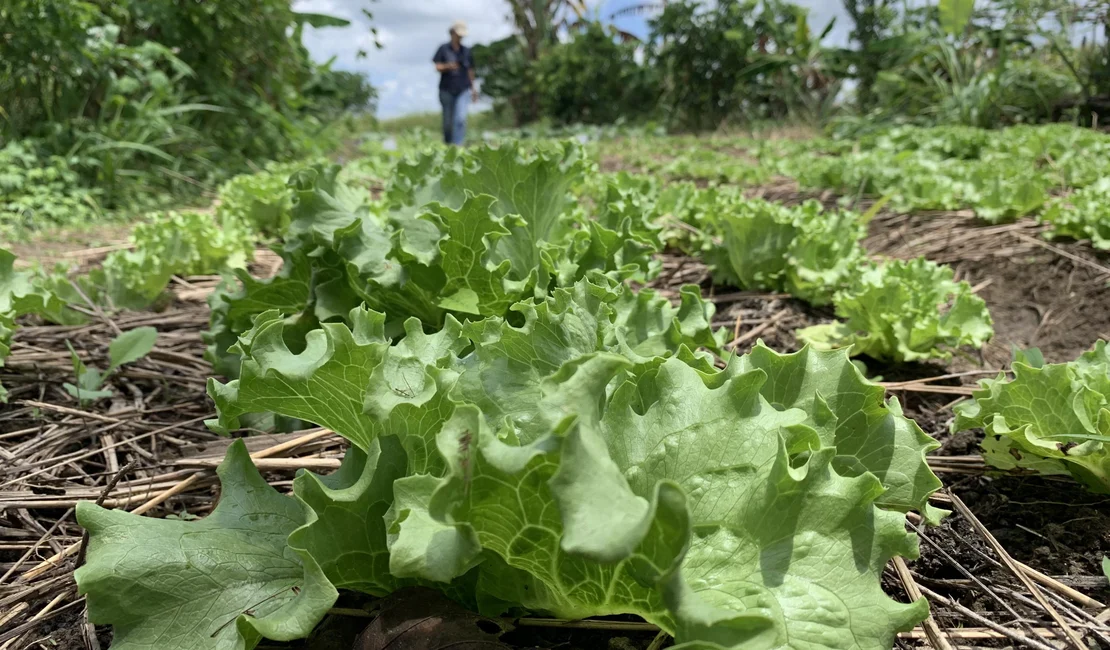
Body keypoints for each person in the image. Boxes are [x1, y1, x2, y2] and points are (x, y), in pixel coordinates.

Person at [433, 20, 478, 145]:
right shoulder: (443, 49)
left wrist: (474, 89)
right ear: (452, 33)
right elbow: (437, 66)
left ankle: (458, 147)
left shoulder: (466, 51)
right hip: (446, 89)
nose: (460, 37)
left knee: (460, 119)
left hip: (463, 89)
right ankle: (448, 145)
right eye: (458, 35)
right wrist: (448, 66)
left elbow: (470, 70)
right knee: (448, 122)